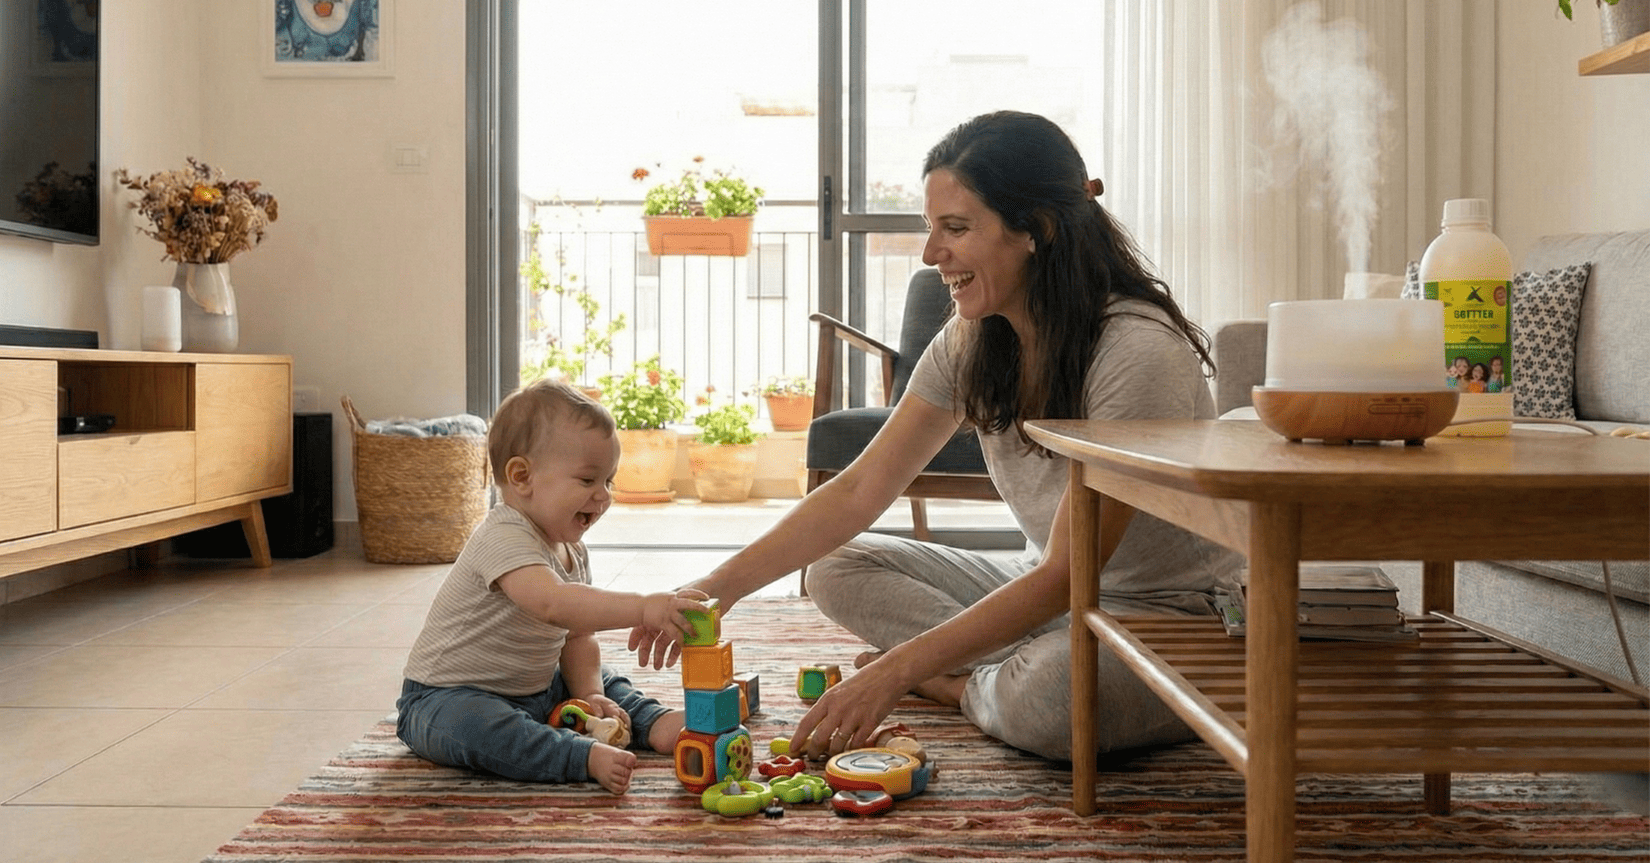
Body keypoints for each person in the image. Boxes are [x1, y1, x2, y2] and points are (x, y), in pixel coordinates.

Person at [629, 110, 1241, 762]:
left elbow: (1070, 570)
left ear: (1035, 229)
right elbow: (861, 489)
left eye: (956, 228)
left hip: (1172, 618)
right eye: (931, 228)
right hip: (1053, 595)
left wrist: (893, 672)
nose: (929, 254)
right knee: (837, 565)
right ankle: (994, 671)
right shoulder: (972, 338)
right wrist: (714, 589)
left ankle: (958, 686)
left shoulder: (1136, 349)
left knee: (1058, 694)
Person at [397, 379, 708, 794]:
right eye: (587, 481)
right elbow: (552, 604)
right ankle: (577, 756)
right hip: (446, 698)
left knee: (602, 677)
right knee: (480, 728)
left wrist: (591, 694)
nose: (603, 497)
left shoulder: (572, 552)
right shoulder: (502, 535)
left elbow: (577, 636)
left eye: (609, 482)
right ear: (522, 476)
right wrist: (643, 607)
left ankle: (647, 721)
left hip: (536, 689)